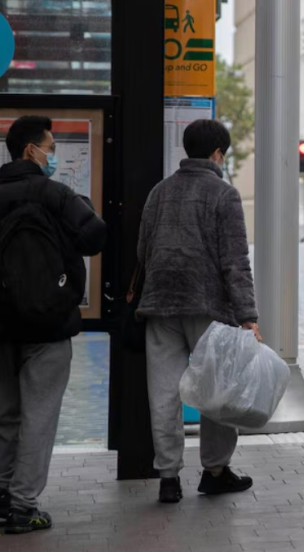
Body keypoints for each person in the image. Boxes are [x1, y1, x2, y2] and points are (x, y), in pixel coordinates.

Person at [136, 119, 259, 504]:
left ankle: (168, 478)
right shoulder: (224, 194)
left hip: (160, 304)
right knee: (216, 392)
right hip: (209, 307)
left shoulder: (159, 192)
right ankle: (215, 471)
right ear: (218, 153)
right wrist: (248, 315)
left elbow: (143, 250)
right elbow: (235, 261)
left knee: (163, 394)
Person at [0, 116, 107, 534]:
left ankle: (2, 494)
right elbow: (95, 237)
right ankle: (23, 507)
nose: (53, 155)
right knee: (39, 416)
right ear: (31, 150)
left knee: (6, 414)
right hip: (48, 325)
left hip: (2, 326)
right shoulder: (54, 193)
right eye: (50, 147)